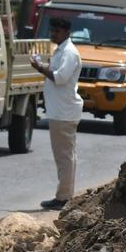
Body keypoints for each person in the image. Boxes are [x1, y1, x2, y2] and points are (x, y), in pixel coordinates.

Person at [30, 17, 82, 210]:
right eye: (52, 31)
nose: (53, 34)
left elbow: (60, 78)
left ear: (66, 32)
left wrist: (39, 68)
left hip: (64, 112)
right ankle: (65, 195)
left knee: (64, 156)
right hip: (60, 111)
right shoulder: (61, 50)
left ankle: (63, 198)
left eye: (57, 31)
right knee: (66, 155)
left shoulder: (69, 52)